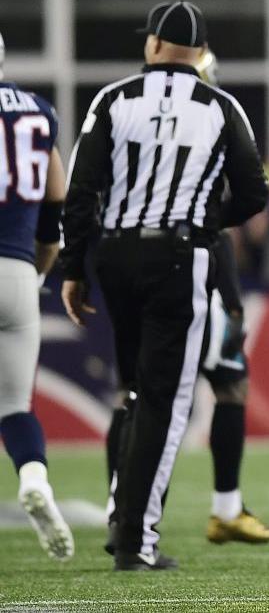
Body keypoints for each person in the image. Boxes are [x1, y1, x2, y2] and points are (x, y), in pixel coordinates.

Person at [60, 1, 269, 571]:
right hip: (180, 256)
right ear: (200, 54)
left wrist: (74, 267)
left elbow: (82, 193)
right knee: (165, 401)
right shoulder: (222, 106)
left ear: (153, 45)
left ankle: (119, 514)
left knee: (133, 393)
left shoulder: (112, 98)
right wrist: (203, 221)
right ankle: (136, 538)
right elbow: (253, 193)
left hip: (117, 254)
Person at [101, 50, 269, 547]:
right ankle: (190, 509)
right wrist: (231, 294)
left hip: (138, 268)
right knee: (179, 396)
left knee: (137, 394)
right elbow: (238, 207)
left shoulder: (128, 118)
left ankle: (125, 506)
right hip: (192, 271)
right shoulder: (209, 118)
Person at [0, 31, 75, 562]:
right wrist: (39, 271)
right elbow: (56, 206)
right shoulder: (39, 110)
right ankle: (34, 478)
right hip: (18, 272)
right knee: (13, 405)